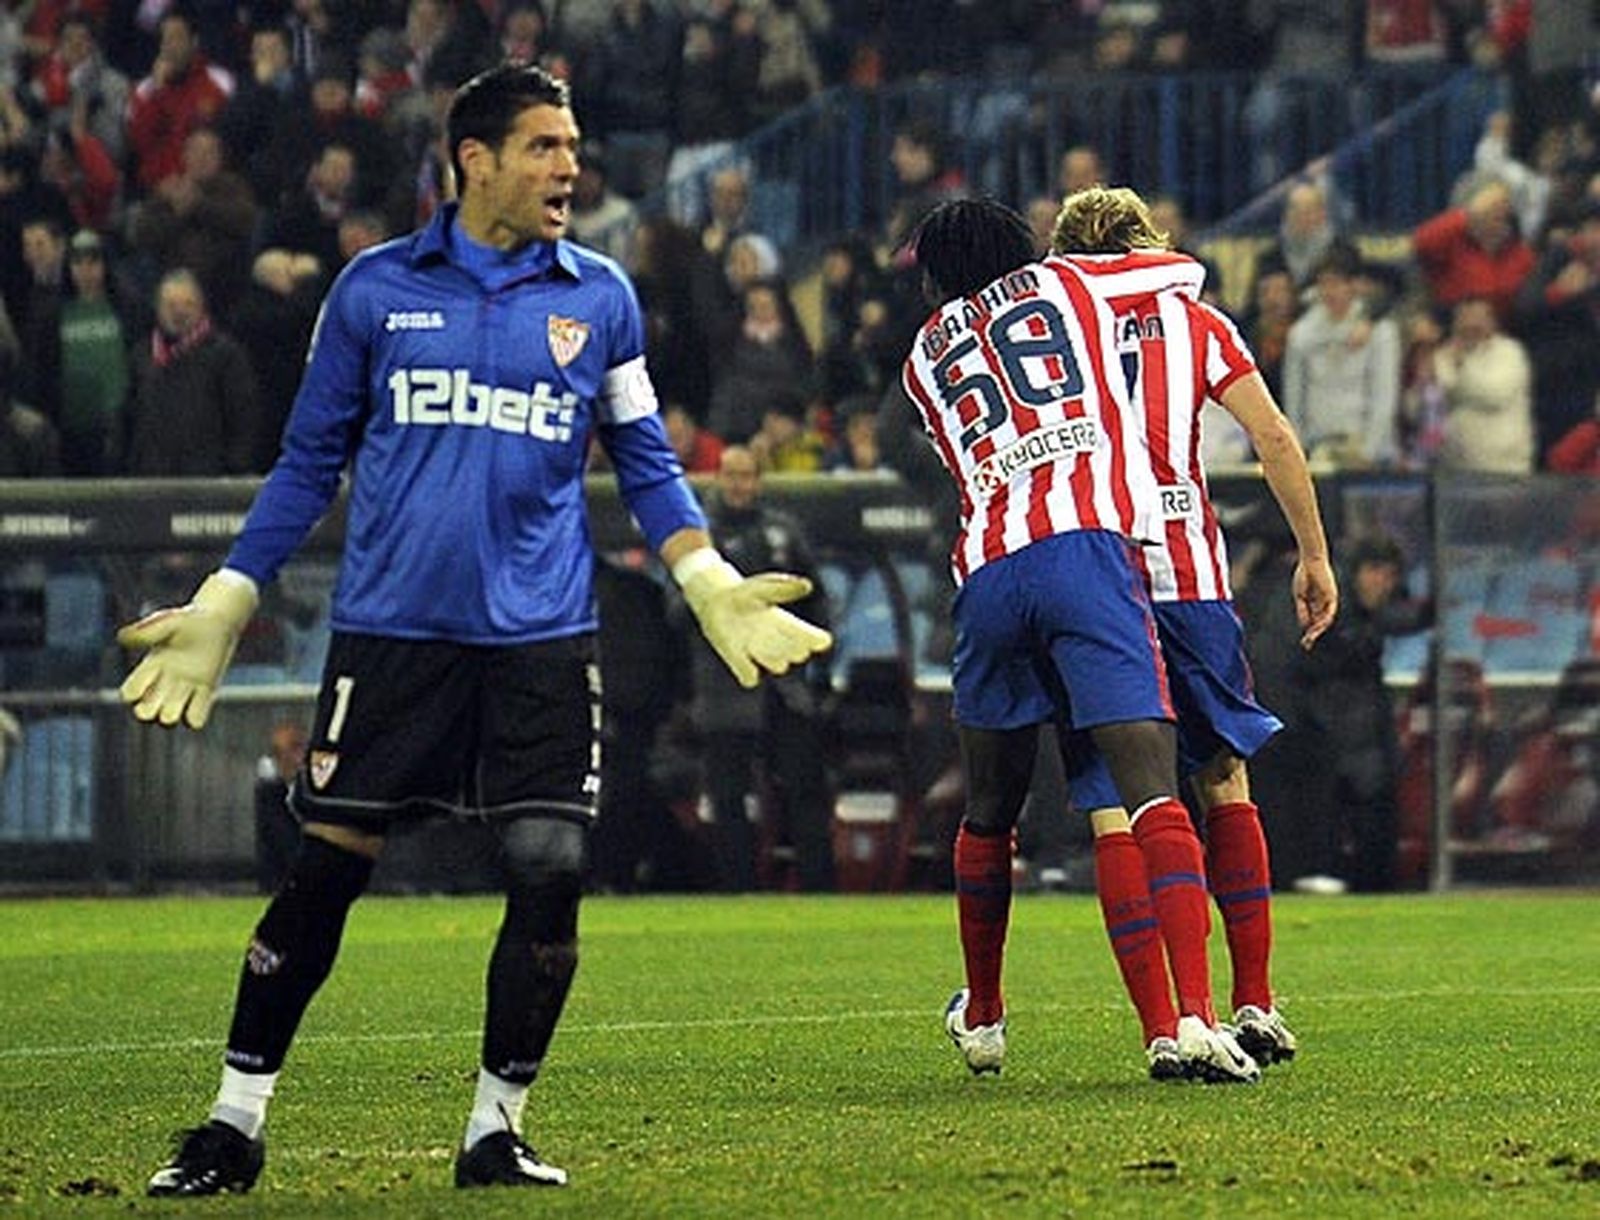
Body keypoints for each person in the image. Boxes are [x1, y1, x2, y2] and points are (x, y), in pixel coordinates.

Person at [118, 63, 831, 1198]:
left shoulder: (599, 296)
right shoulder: (371, 291)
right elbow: (310, 461)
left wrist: (703, 573)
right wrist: (230, 592)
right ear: (474, 160)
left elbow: (644, 458)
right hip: (393, 633)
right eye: (545, 146)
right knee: (322, 875)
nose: (569, 168)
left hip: (541, 640)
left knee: (549, 865)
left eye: (573, 145)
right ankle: (232, 1120)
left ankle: (495, 1126)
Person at [901, 198, 1258, 1085]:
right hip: (1085, 551)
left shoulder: (924, 354)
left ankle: (982, 1015)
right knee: (1149, 790)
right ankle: (1199, 1020)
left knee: (991, 811)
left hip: (988, 571)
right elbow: (1180, 279)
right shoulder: (1069, 282)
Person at [1049, 185, 1338, 1077]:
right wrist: (1313, 555)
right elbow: (1276, 438)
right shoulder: (1198, 322)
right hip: (1191, 576)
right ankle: (1252, 1001)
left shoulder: (1051, 329)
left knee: (1114, 803)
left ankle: (1167, 1026)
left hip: (1095, 571)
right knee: (1224, 780)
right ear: (1151, 240)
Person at [681, 445, 835, 892]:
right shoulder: (699, 538)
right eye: (731, 476)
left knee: (805, 786)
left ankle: (818, 888)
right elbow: (675, 609)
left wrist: (816, 660)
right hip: (723, 683)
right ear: (717, 479)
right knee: (728, 796)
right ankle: (737, 888)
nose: (739, 485)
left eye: (747, 476)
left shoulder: (782, 531)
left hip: (784, 682)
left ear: (759, 481)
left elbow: (816, 596)